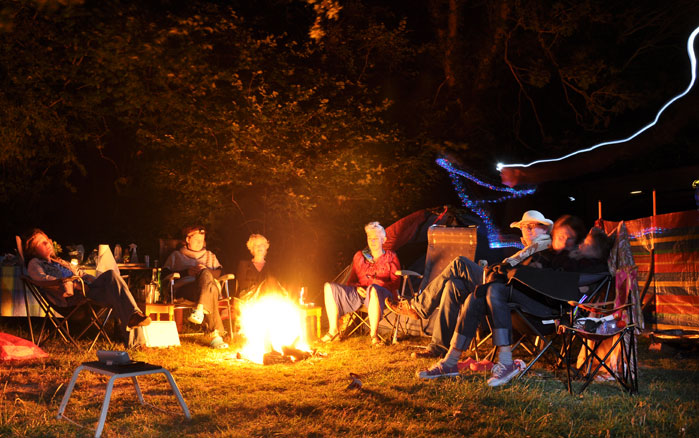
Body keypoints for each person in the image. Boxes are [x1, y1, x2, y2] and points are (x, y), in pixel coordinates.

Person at [417, 226, 611, 385]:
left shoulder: (593, 268)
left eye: (585, 243)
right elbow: (548, 274)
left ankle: (506, 362)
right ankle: (451, 361)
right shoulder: (565, 257)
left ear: (596, 250)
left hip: (548, 315)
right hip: (524, 305)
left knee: (495, 290)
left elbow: (565, 285)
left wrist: (524, 272)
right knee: (477, 295)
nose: (577, 245)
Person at [386, 210, 555, 358]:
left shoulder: (544, 249)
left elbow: (527, 277)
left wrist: (497, 270)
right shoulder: (527, 249)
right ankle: (438, 347)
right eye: (525, 227)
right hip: (501, 285)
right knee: (452, 285)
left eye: (534, 226)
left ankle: (418, 307)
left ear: (545, 229)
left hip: (507, 293)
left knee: (459, 263)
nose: (528, 230)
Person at [24, 229, 151, 342]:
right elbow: (42, 279)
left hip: (88, 291)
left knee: (115, 284)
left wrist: (98, 283)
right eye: (41, 243)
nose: (47, 244)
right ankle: (136, 337)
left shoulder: (59, 261)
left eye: (47, 241)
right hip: (75, 299)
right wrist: (73, 283)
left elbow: (80, 273)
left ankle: (134, 321)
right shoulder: (34, 263)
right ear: (33, 251)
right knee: (116, 286)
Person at [321, 222, 400, 346]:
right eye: (369, 238)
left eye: (375, 239)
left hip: (382, 295)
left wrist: (377, 284)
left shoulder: (391, 257)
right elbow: (351, 281)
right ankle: (333, 331)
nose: (372, 242)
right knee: (328, 287)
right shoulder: (360, 256)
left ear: (383, 240)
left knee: (373, 289)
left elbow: (396, 283)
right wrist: (357, 288)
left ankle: (374, 335)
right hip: (361, 294)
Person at [162, 225, 228, 349]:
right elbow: (165, 274)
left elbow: (221, 273)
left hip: (208, 287)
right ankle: (215, 336)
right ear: (187, 239)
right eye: (197, 239)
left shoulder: (209, 255)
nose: (200, 242)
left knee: (206, 275)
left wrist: (206, 271)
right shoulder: (177, 255)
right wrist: (187, 272)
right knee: (211, 289)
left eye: (202, 239)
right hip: (187, 288)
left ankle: (200, 308)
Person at [236, 234, 277, 299]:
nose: (259, 247)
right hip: (248, 299)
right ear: (252, 249)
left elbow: (275, 285)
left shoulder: (271, 267)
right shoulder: (244, 265)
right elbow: (242, 285)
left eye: (262, 245)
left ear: (266, 247)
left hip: (268, 298)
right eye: (256, 245)